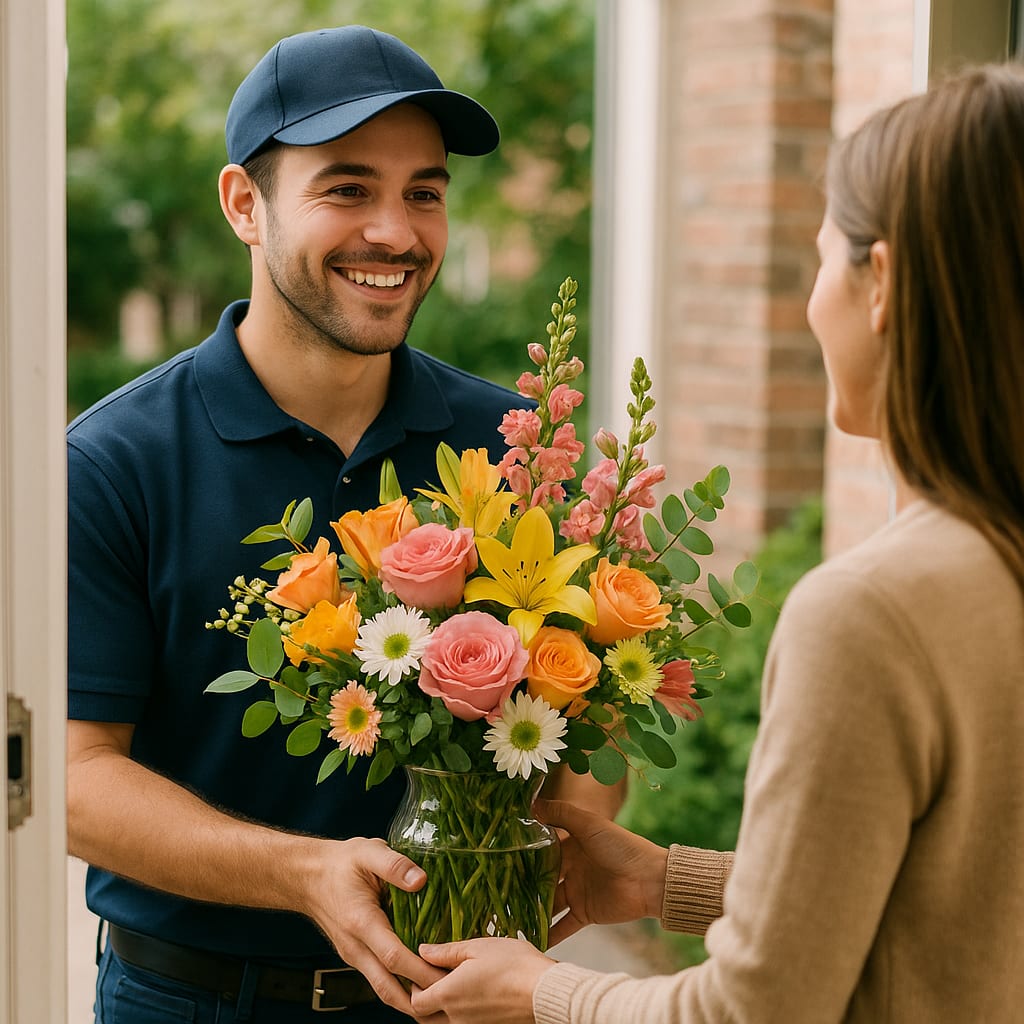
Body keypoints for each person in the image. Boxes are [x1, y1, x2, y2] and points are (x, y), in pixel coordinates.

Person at [410, 62, 1024, 1024]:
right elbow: (963, 898)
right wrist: (671, 882)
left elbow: (756, 1013)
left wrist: (543, 990)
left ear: (883, 283)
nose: (808, 302)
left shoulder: (875, 614)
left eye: (819, 260)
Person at [66, 24, 542, 1024]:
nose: (396, 232)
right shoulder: (113, 463)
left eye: (424, 192)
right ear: (246, 204)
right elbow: (73, 781)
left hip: (452, 999)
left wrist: (568, 836)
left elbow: (576, 739)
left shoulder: (512, 449)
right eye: (346, 188)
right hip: (191, 1000)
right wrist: (301, 872)